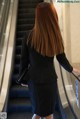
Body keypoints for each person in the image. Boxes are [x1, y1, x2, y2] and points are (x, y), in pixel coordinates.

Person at [20, 2, 80, 119]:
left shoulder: (28, 36)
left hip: (34, 81)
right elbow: (61, 59)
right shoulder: (55, 36)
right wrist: (74, 70)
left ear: (38, 17)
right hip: (49, 80)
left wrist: (23, 78)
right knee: (48, 114)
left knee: (37, 112)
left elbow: (23, 61)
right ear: (52, 16)